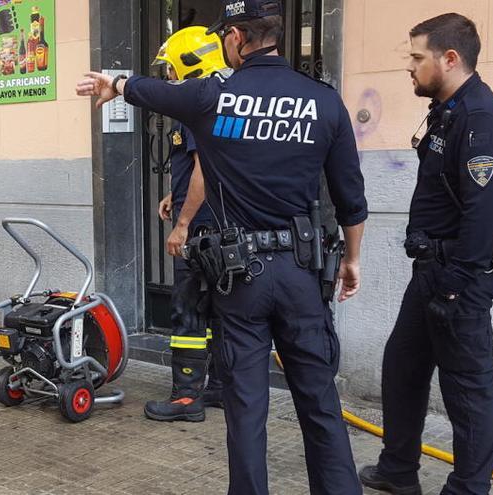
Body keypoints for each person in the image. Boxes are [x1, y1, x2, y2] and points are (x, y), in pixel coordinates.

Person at [77, 0, 368, 492]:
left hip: (242, 276)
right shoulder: (322, 99)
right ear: (274, 34)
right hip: (303, 272)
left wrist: (117, 84)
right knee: (319, 401)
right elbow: (351, 198)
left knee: (247, 406)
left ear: (235, 38)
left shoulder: (215, 95)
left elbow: (160, 91)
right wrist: (353, 260)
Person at [359, 14, 493, 495]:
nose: (410, 66)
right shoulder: (447, 110)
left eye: (418, 57)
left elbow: (483, 215)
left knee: (467, 389)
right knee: (402, 365)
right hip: (432, 268)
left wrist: (456, 284)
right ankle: (399, 470)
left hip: (458, 274)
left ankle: (468, 488)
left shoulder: (481, 117)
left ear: (449, 58)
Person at [142, 26, 226, 423]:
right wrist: (173, 197)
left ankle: (187, 397)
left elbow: (204, 169)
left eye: (170, 70)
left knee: (188, 311)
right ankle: (222, 388)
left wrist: (183, 223)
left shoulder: (196, 106)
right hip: (218, 226)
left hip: (200, 230)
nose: (168, 79)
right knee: (221, 311)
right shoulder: (220, 99)